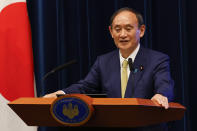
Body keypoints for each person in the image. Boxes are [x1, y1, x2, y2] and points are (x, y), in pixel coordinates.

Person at [44, 7, 174, 130]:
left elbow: (164, 84)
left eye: (128, 29)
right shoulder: (103, 61)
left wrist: (161, 94)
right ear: (111, 32)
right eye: (117, 29)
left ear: (142, 30)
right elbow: (85, 87)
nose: (122, 34)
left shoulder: (157, 60)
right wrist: (61, 94)